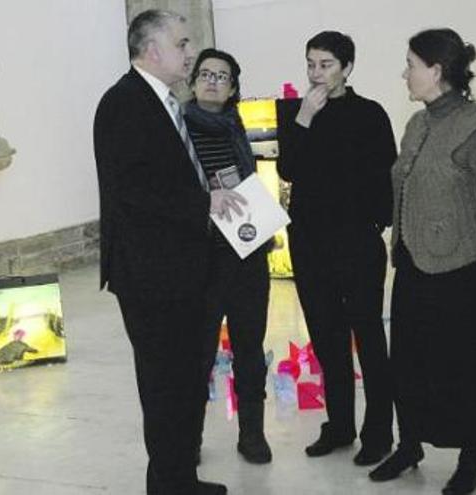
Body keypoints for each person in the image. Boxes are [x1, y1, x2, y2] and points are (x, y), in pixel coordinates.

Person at [93, 9, 243, 495]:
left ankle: (178, 478)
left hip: (178, 267)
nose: (189, 53)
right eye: (181, 44)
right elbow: (132, 190)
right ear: (152, 49)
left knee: (181, 381)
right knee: (164, 384)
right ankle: (168, 484)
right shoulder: (123, 103)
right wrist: (205, 201)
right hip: (151, 273)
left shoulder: (162, 101)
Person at [367, 29, 476, 495]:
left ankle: (471, 458)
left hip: (468, 273)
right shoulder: (417, 124)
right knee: (411, 364)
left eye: (411, 63)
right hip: (415, 265)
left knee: (464, 368)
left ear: (436, 71)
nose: (405, 73)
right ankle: (410, 442)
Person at [277, 30, 396, 466]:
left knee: (367, 336)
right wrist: (305, 118)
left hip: (357, 242)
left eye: (325, 64)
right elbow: (288, 169)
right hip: (310, 243)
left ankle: (379, 433)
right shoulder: (299, 113)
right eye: (310, 64)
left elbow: (386, 176)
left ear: (346, 67)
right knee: (327, 339)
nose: (316, 73)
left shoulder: (370, 114)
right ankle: (340, 426)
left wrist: (374, 226)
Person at [184, 48, 273, 465]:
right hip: (201, 256)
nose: (213, 80)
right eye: (206, 73)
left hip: (246, 253)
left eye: (222, 76)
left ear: (234, 87)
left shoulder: (236, 125)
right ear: (194, 81)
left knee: (250, 350)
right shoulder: (177, 125)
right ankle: (190, 437)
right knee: (197, 352)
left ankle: (252, 434)